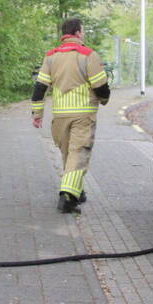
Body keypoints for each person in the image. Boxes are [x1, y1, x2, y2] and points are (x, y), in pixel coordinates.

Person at [31, 18, 110, 213]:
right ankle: (67, 196)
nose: (83, 35)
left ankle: (78, 191)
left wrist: (37, 113)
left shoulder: (51, 56)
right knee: (78, 153)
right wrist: (105, 99)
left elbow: (40, 88)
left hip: (59, 116)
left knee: (68, 153)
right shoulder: (88, 55)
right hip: (83, 114)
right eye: (82, 31)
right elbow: (101, 86)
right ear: (77, 33)